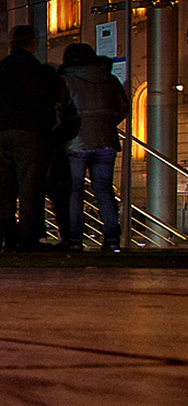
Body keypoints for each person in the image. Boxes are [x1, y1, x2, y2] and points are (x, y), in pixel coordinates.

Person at [0, 25, 65, 252]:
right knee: (30, 186)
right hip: (30, 131)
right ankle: (28, 237)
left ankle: (6, 235)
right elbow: (45, 103)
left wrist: (3, 116)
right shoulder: (35, 69)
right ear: (32, 43)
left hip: (5, 131)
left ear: (11, 44)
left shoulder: (0, 69)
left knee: (7, 185)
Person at [59, 42, 129, 251]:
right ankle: (111, 237)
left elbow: (58, 110)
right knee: (104, 188)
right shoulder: (109, 78)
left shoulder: (65, 80)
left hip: (75, 141)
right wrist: (107, 122)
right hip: (106, 140)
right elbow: (123, 108)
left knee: (75, 190)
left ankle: (75, 238)